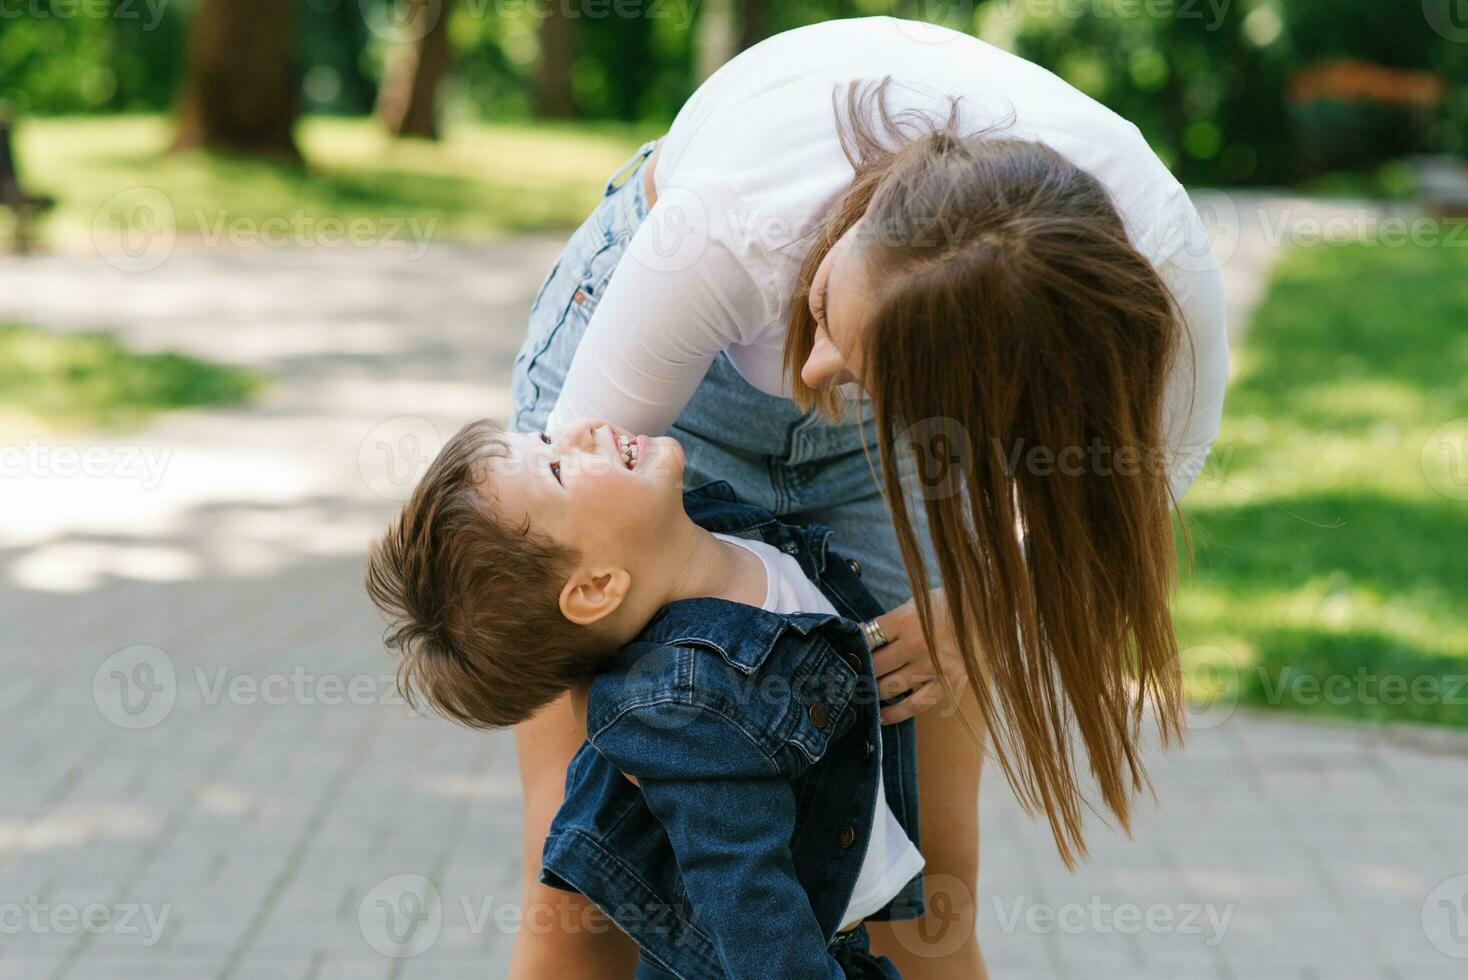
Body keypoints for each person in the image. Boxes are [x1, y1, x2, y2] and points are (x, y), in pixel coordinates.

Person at [511, 17, 1229, 978]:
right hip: (664, 411)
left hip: (906, 424)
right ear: (855, 221)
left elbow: (1122, 501)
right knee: (589, 882)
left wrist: (987, 605)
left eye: (856, 366)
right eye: (818, 321)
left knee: (925, 893)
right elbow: (573, 521)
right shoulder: (732, 222)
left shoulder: (1152, 289)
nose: (811, 373)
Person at [365, 416, 927, 978]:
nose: (579, 429)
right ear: (595, 588)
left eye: (543, 438)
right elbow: (749, 903)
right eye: (558, 469)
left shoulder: (717, 530)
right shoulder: (685, 706)